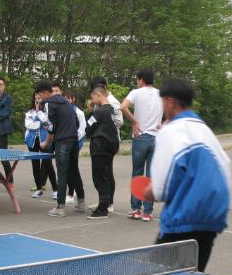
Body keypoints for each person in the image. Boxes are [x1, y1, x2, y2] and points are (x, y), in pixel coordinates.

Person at [139, 79, 231, 271]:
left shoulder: (170, 131)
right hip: (212, 219)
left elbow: (160, 189)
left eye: (162, 102)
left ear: (170, 102)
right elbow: (225, 166)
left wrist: (149, 191)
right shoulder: (205, 130)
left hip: (183, 218)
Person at [36, 80, 84, 216]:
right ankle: (81, 203)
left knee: (62, 173)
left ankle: (60, 207)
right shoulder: (66, 102)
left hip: (62, 142)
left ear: (45, 92)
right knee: (74, 171)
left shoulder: (49, 104)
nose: (39, 97)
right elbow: (76, 122)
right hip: (74, 141)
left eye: (40, 95)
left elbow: (51, 127)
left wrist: (46, 143)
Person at [121, 67, 162, 221]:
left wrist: (134, 122)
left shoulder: (136, 93)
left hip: (140, 136)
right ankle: (148, 212)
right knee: (151, 175)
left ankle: (136, 209)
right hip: (156, 137)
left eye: (137, 79)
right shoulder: (160, 94)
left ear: (141, 79)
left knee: (137, 173)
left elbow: (123, 107)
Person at [85, 85, 120, 219]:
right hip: (111, 144)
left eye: (93, 97)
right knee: (106, 175)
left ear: (98, 95)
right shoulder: (112, 110)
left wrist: (90, 112)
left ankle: (102, 209)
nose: (92, 100)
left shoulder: (99, 112)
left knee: (99, 177)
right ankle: (106, 203)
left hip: (100, 146)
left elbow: (88, 129)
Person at [24, 93, 56, 198]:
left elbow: (46, 121)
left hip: (45, 139)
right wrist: (40, 123)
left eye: (40, 97)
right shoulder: (29, 112)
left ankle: (55, 190)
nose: (38, 98)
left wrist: (38, 113)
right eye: (36, 97)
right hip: (32, 140)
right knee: (35, 165)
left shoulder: (47, 111)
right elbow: (29, 125)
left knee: (48, 164)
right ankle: (39, 189)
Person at [64, 90, 89, 206]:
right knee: (66, 168)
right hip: (65, 143)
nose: (67, 100)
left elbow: (82, 129)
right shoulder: (62, 111)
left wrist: (72, 138)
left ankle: (71, 192)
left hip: (75, 143)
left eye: (69, 98)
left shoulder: (79, 112)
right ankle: (71, 191)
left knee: (72, 168)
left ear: (73, 99)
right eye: (65, 98)